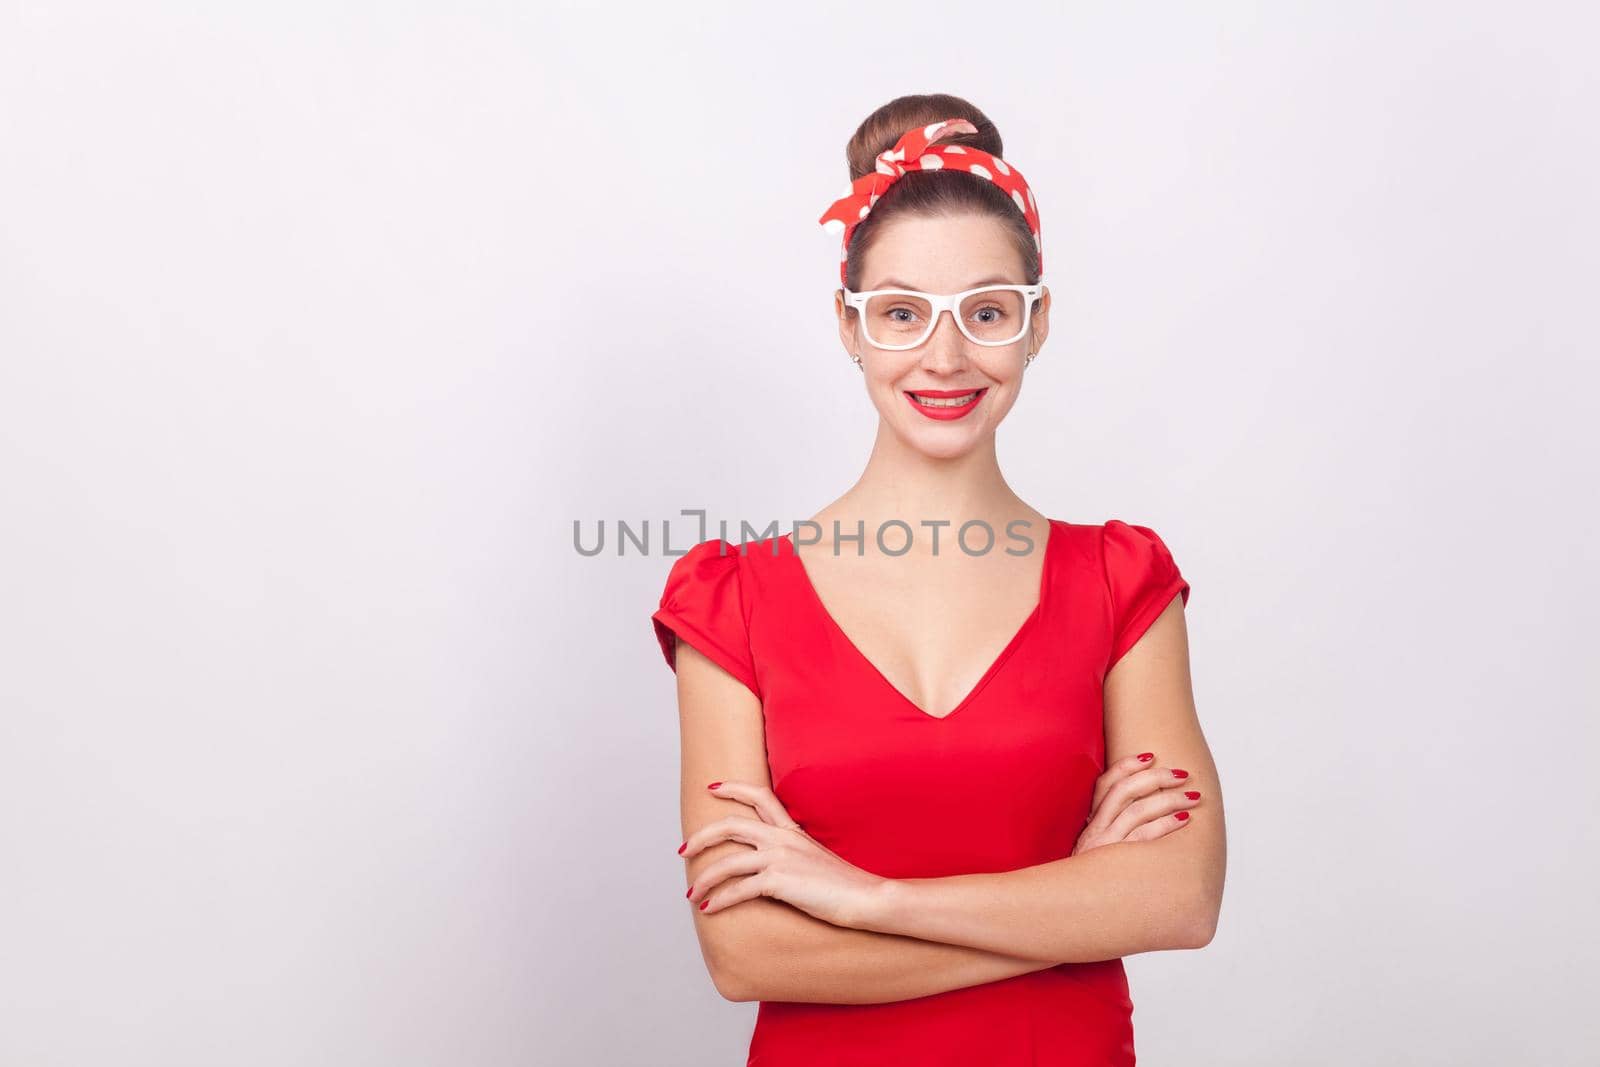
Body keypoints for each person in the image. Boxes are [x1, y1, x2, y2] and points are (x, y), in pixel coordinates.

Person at [649, 93, 1226, 1066]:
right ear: (849, 323)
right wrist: (1067, 901)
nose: (946, 354)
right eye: (903, 311)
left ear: (1036, 323)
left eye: (987, 310)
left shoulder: (1120, 583)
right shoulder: (733, 600)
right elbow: (744, 950)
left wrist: (865, 898)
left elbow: (1178, 897)